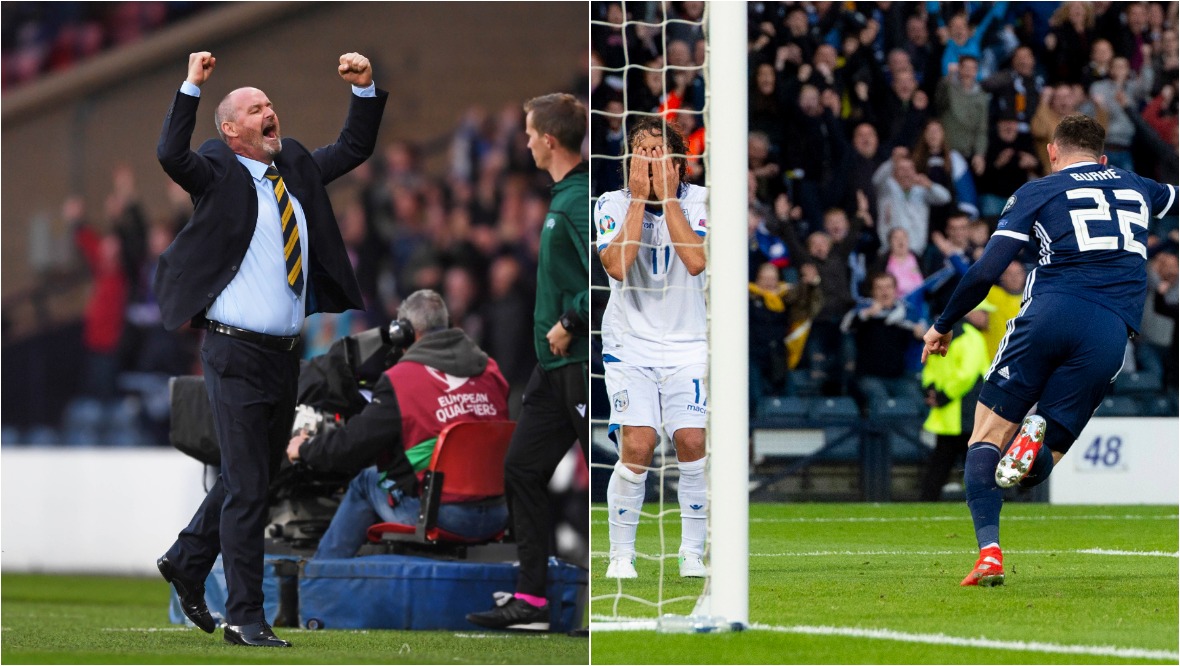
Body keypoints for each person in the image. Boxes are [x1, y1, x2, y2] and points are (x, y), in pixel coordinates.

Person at [154, 51, 387, 647]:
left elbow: (353, 150)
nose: (269, 112)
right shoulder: (218, 169)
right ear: (232, 131)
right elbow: (170, 156)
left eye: (269, 105)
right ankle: (245, 617)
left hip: (284, 353)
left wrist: (364, 91)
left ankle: (186, 558)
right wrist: (191, 88)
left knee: (250, 475)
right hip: (232, 352)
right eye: (255, 108)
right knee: (251, 485)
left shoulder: (296, 169)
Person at [921, 114, 1177, 586]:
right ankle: (1035, 436)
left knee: (985, 435)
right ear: (1104, 158)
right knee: (1042, 463)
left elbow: (985, 271)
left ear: (1053, 152)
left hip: (1050, 313)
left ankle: (990, 554)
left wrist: (942, 325)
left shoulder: (1038, 191)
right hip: (1111, 332)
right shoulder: (1138, 186)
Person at [466, 93, 589, 632]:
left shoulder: (580, 200)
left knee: (609, 478)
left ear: (550, 140)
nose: (526, 141)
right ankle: (533, 601)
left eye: (530, 132)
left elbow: (608, 274)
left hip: (582, 363)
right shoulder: (562, 196)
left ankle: (608, 597)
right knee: (521, 469)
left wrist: (571, 320)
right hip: (552, 369)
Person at [286, 290, 510, 558]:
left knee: (365, 481)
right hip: (499, 513)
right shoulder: (492, 372)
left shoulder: (402, 380)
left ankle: (321, 581)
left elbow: (351, 447)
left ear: (401, 333)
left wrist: (304, 448)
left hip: (443, 515)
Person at [593, 116, 708, 581]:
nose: (648, 162)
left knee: (692, 442)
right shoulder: (611, 203)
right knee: (637, 446)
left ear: (680, 165)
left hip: (688, 343)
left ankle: (691, 552)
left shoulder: (702, 201)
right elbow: (617, 266)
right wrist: (641, 199)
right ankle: (621, 554)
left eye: (658, 154)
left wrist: (668, 198)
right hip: (629, 343)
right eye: (641, 154)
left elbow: (696, 261)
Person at [919, 304, 992, 501]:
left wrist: (932, 390)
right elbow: (967, 375)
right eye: (983, 312)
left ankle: (927, 500)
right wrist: (944, 395)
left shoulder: (940, 334)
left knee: (941, 461)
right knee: (974, 460)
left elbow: (929, 366)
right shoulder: (971, 336)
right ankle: (983, 500)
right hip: (966, 409)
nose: (986, 317)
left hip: (947, 413)